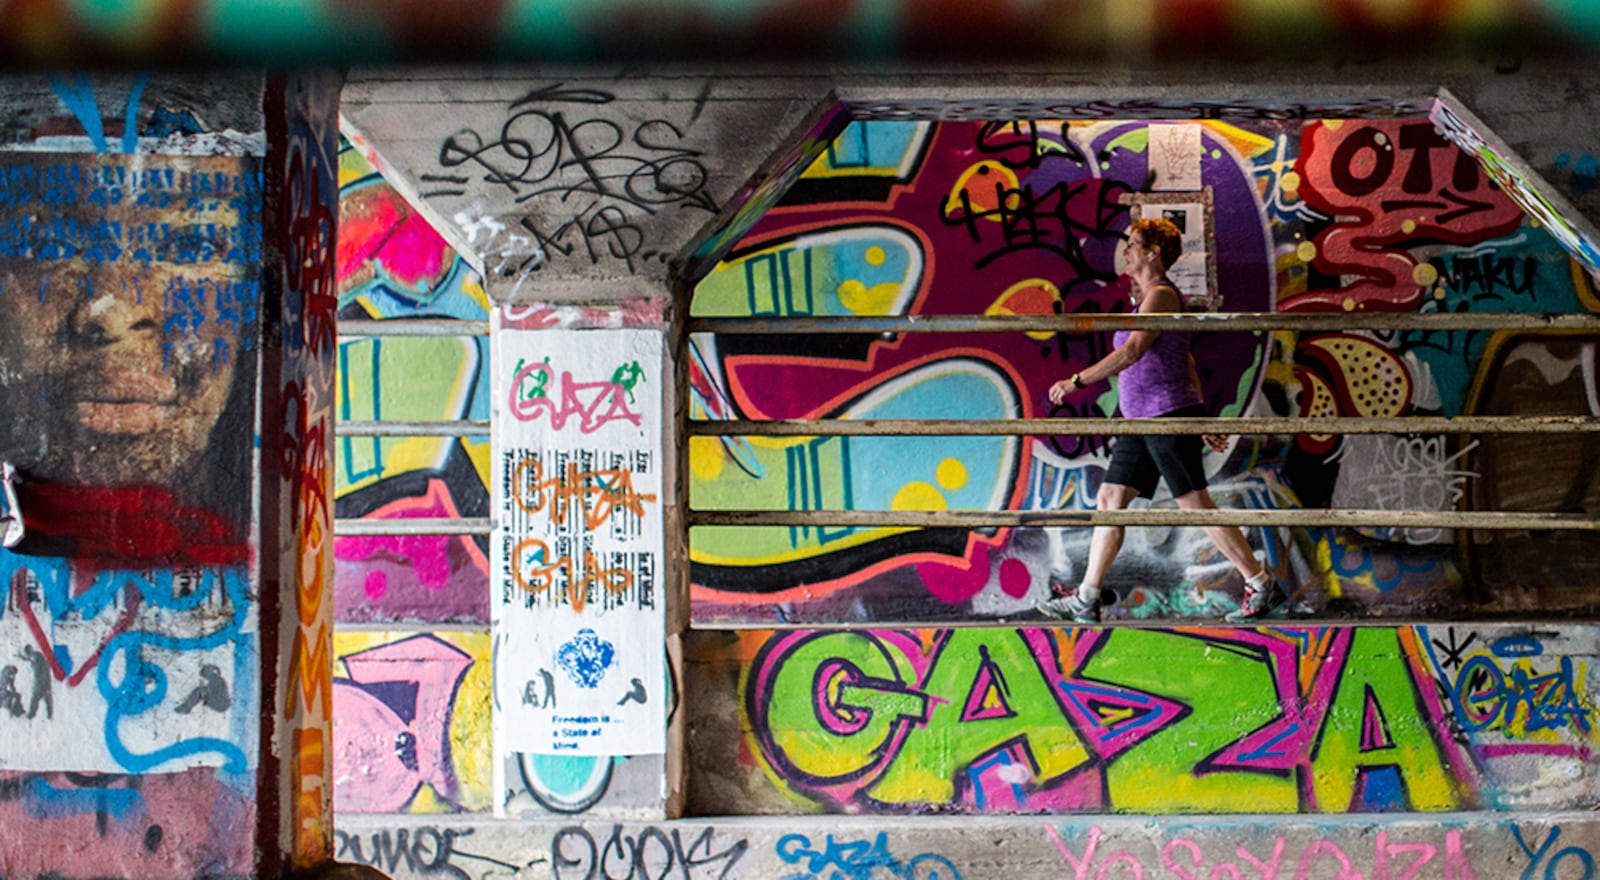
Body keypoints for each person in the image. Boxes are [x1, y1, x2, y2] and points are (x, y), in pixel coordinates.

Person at [1038, 217, 1290, 624]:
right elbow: (1185, 359)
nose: (1127, 250)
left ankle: (1260, 583)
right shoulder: (1145, 301)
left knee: (1193, 504)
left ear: (1153, 253)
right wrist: (1204, 417)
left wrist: (1076, 381)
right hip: (1142, 420)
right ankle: (1087, 597)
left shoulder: (1162, 296)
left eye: (1133, 244)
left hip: (1166, 414)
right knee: (1110, 500)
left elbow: (1133, 350)